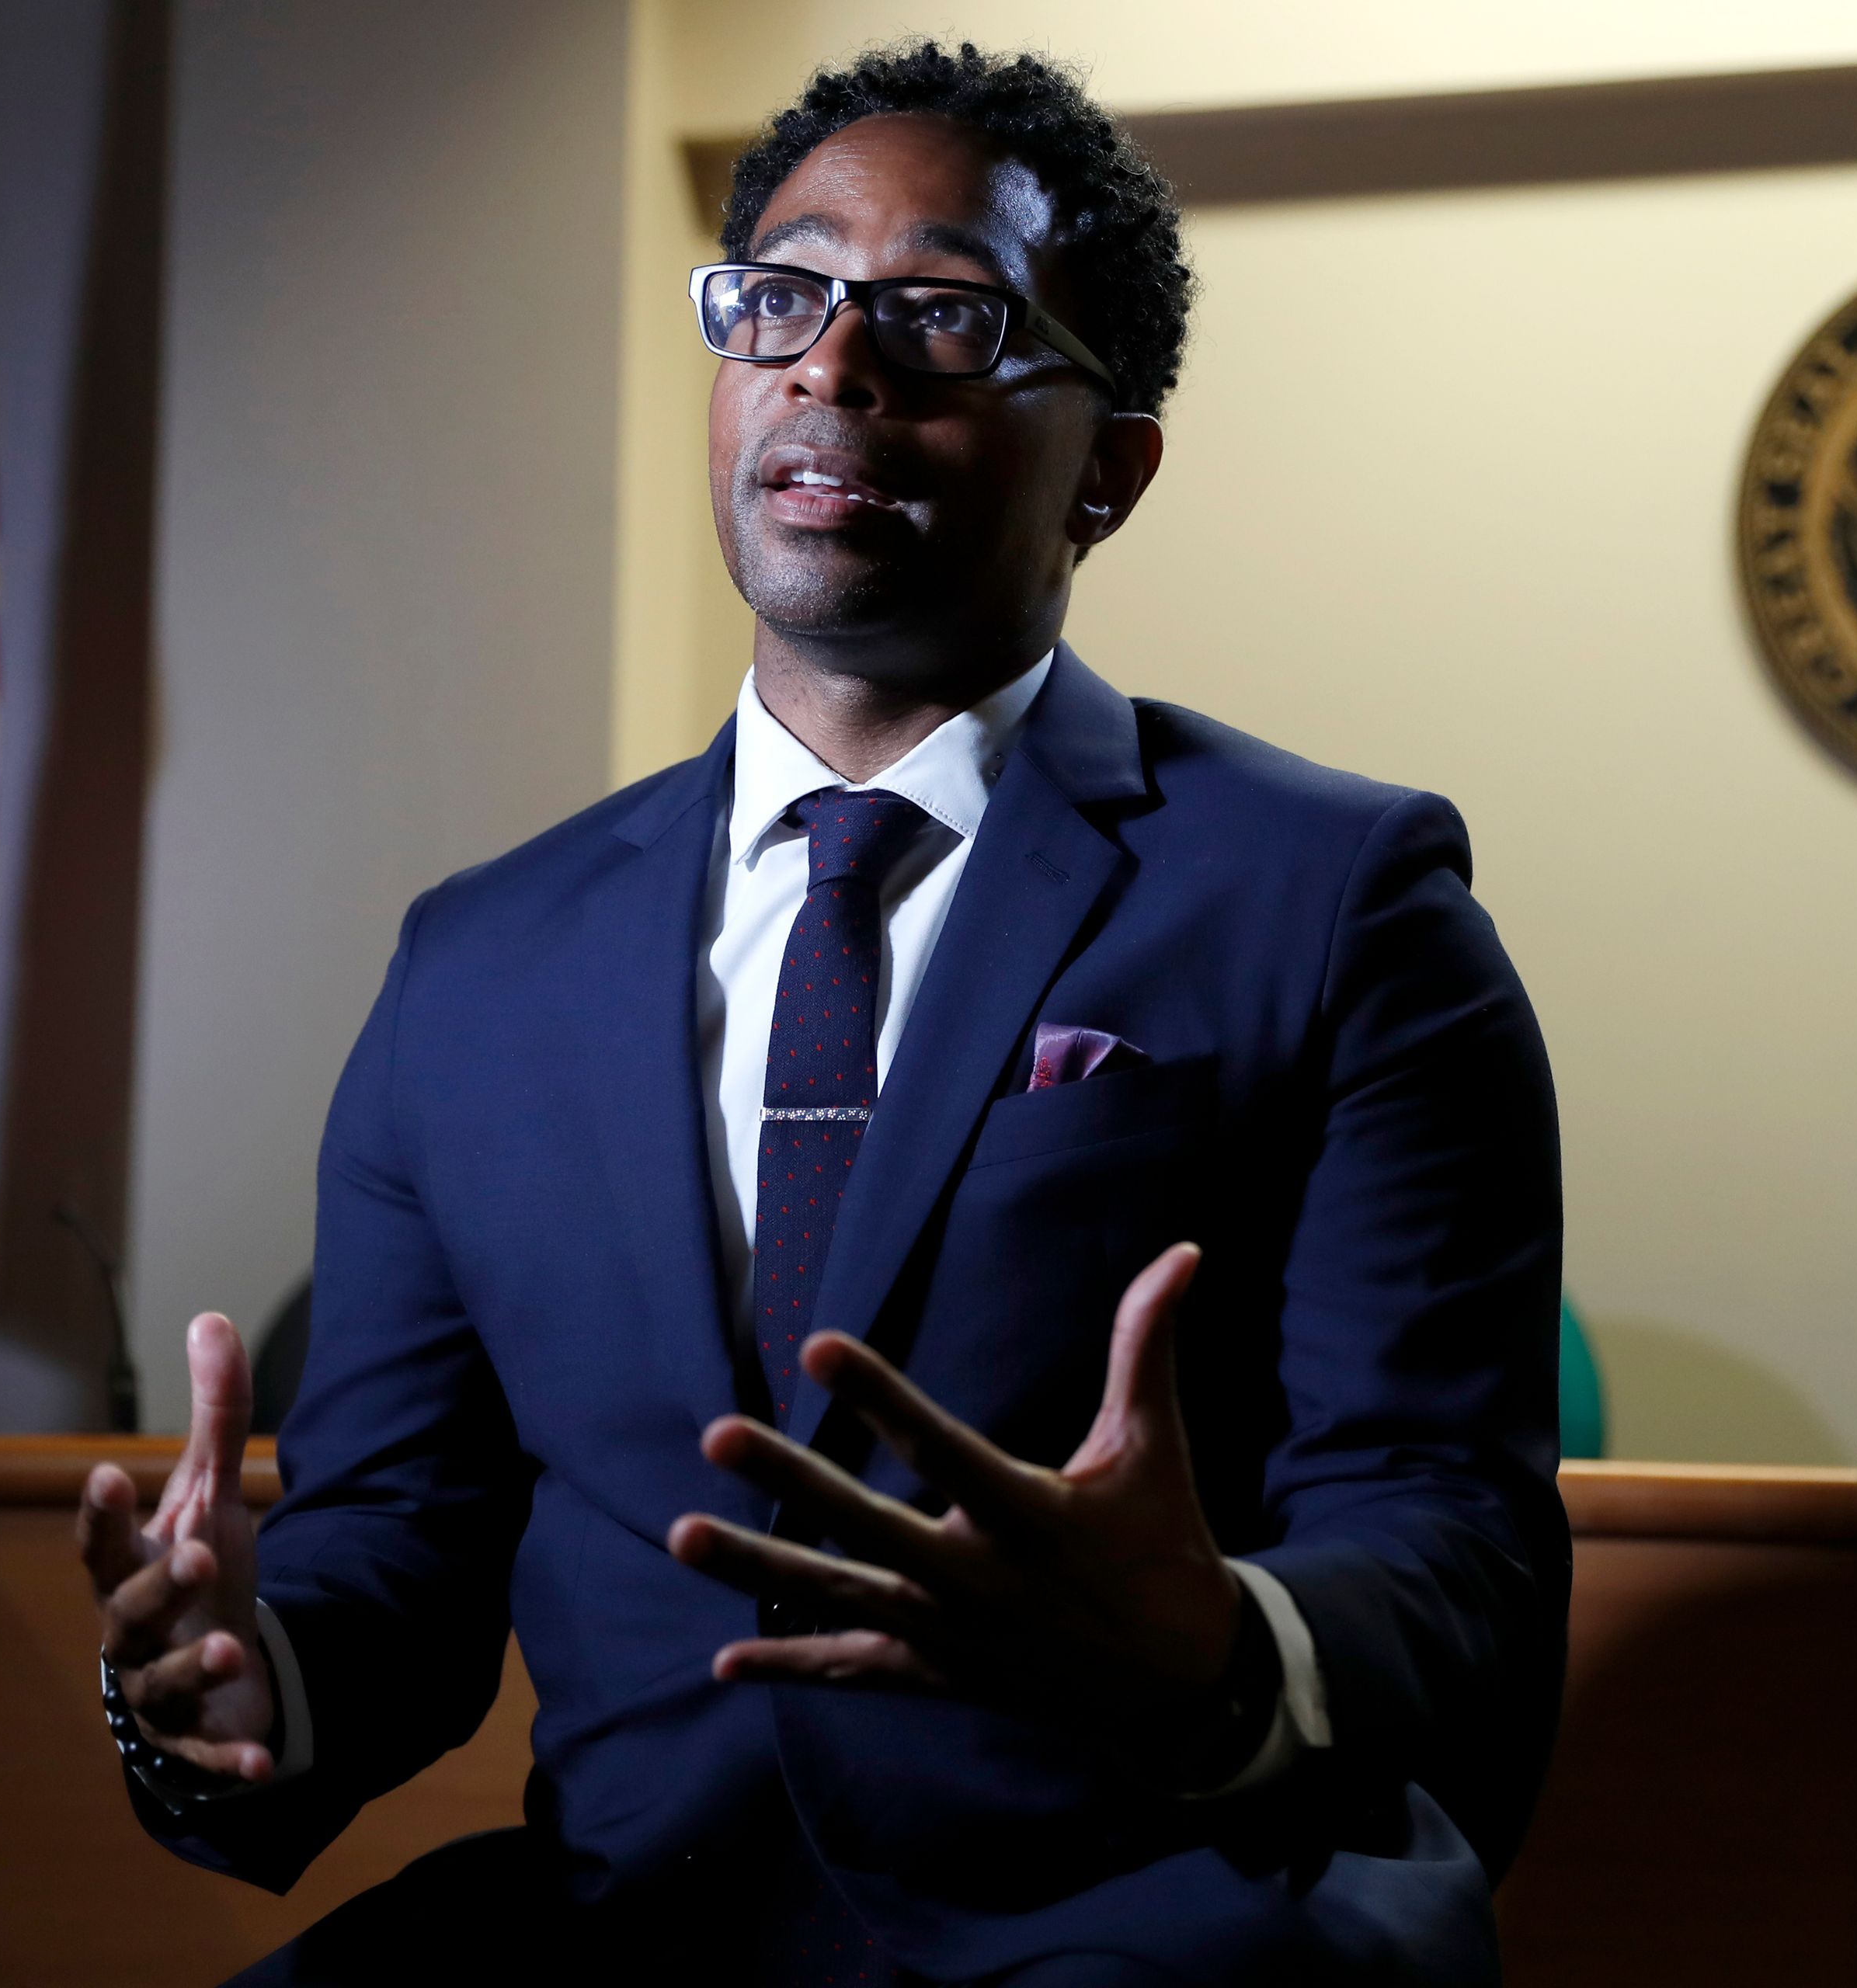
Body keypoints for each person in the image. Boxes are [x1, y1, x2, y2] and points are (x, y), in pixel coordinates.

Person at [77, 41, 1566, 1987]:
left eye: (943, 315)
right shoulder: (480, 962)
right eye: (778, 295)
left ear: (1108, 466)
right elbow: (402, 1558)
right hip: (634, 1925)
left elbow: (1450, 1540)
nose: (832, 367)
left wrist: (1210, 1641)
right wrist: (234, 1667)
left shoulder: (1344, 902)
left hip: (1151, 1912)